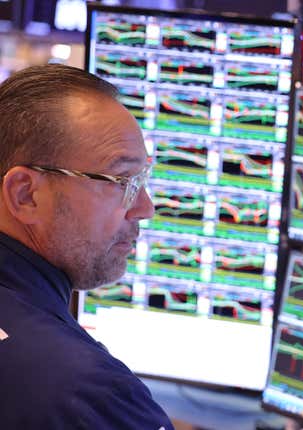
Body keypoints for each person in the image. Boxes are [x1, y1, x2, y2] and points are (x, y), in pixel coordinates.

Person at [0, 64, 174, 429]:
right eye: (123, 180)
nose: (145, 207)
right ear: (26, 194)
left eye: (143, 178)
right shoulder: (88, 393)